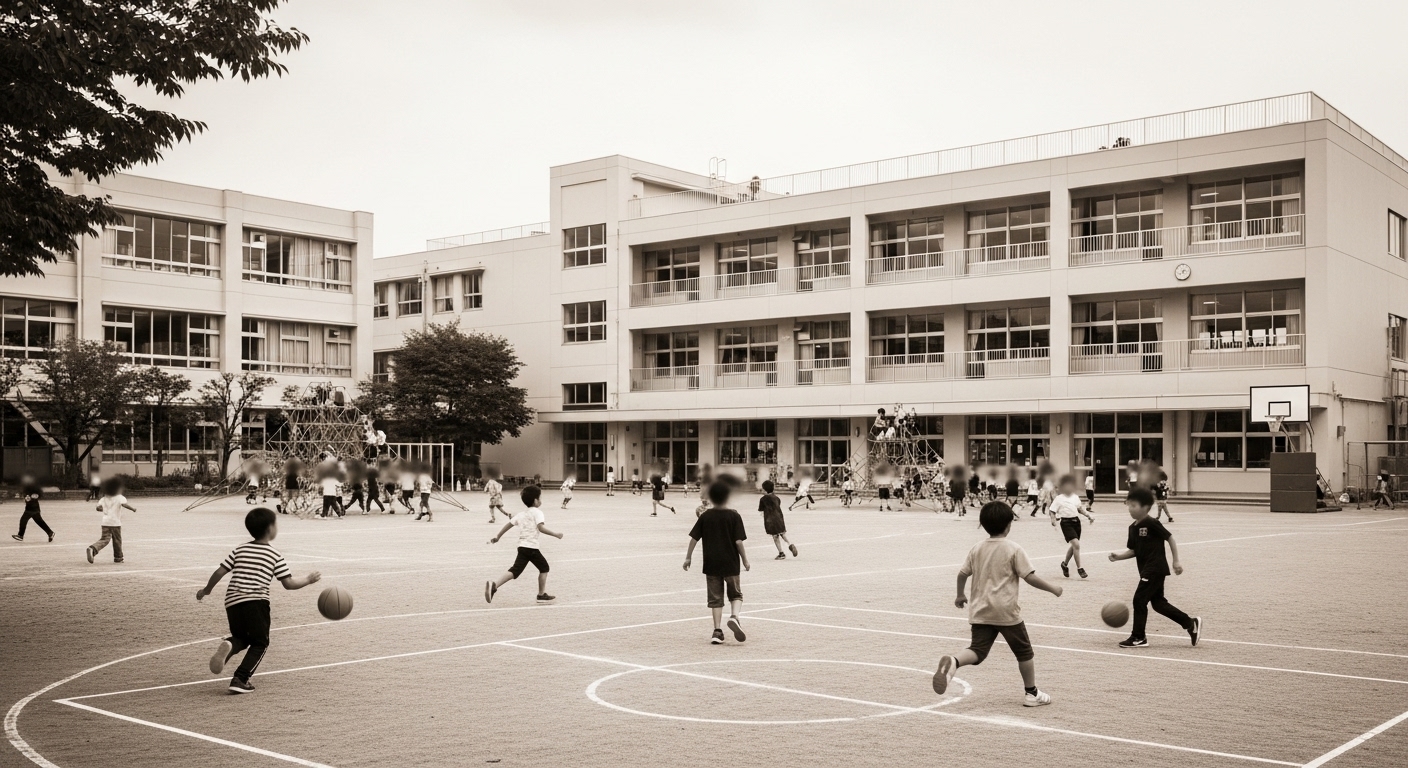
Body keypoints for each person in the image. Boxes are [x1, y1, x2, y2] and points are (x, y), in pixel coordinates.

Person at [932, 501, 1063, 707]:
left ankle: (954, 661)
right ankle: (1031, 693)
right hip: (1006, 612)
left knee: (978, 650)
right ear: (1009, 525)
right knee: (1024, 652)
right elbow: (1029, 577)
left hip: (981, 610)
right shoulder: (1014, 549)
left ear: (983, 524)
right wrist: (1053, 589)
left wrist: (960, 595)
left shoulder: (977, 548)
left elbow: (962, 574)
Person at [197, 507, 322, 694]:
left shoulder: (240, 549)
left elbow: (220, 572)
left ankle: (230, 645)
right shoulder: (274, 555)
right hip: (256, 602)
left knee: (241, 638)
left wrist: (206, 590)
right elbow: (288, 583)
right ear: (271, 529)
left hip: (232, 601)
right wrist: (308, 580)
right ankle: (240, 678)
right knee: (260, 643)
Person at [1107, 487, 1201, 649]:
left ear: (1145, 507)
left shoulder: (1152, 523)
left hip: (1155, 568)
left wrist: (1176, 561)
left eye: (1134, 506)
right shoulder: (1132, 528)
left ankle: (1138, 637)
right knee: (1158, 604)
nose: (1130, 509)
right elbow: (1134, 551)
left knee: (1139, 600)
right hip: (1147, 570)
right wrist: (1118, 557)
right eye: (1129, 505)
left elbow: (1170, 538)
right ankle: (1190, 623)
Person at [683, 481, 750, 645]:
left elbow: (693, 539)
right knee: (736, 594)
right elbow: (739, 542)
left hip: (711, 563)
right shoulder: (734, 515)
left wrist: (688, 557)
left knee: (715, 598)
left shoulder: (706, 516)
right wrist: (745, 560)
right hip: (731, 562)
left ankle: (717, 631)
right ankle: (734, 617)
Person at [485, 486, 563, 604]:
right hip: (532, 548)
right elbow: (541, 528)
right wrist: (556, 534)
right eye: (540, 497)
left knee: (515, 570)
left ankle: (494, 585)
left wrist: (498, 537)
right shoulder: (538, 513)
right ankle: (541, 595)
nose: (541, 499)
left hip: (522, 547)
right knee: (544, 568)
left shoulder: (522, 514)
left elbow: (508, 525)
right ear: (536, 501)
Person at [1048, 474, 1095, 579]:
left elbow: (1080, 509)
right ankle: (1080, 568)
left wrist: (1089, 516)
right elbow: (1052, 510)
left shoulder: (1075, 497)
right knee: (1076, 545)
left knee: (1074, 545)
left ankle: (1064, 564)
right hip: (1066, 523)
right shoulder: (1059, 498)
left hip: (1076, 522)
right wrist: (1053, 519)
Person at [86, 477, 136, 564]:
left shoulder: (104, 498)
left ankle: (93, 548)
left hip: (105, 522)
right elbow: (124, 505)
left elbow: (98, 508)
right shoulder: (120, 497)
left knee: (105, 539)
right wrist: (133, 509)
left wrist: (106, 509)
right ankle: (118, 557)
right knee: (117, 540)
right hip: (115, 523)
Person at [758, 480, 798, 560]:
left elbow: (761, 511)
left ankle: (781, 553)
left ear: (765, 490)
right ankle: (790, 544)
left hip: (770, 520)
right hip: (779, 518)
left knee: (775, 537)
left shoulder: (763, 499)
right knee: (782, 534)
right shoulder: (777, 498)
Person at [12, 473, 54, 543]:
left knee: (23, 520)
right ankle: (50, 533)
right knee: (40, 522)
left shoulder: (34, 486)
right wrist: (25, 497)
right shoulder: (26, 487)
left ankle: (20, 535)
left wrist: (35, 496)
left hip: (32, 508)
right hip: (31, 507)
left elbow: (39, 493)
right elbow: (26, 494)